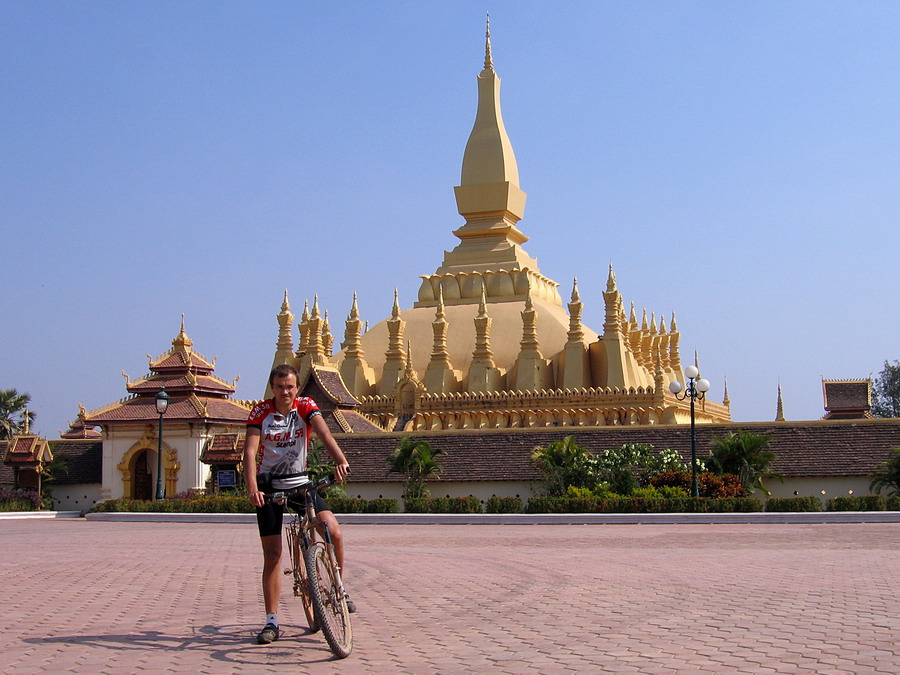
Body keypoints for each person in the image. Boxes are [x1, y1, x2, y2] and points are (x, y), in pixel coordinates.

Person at [243, 363, 354, 645]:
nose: (285, 392)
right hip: (269, 487)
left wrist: (340, 460)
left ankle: (339, 589)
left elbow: (325, 434)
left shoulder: (305, 406)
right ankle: (271, 621)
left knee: (334, 532)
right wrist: (253, 488)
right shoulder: (260, 412)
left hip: (300, 484)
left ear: (296, 388)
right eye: (280, 387)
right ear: (272, 388)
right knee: (273, 555)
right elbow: (250, 450)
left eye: (290, 387)